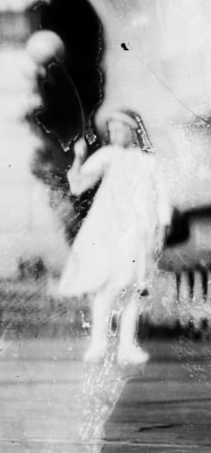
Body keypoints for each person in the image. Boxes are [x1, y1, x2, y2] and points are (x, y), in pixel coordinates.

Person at [56, 109, 170, 364]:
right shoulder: (108, 155)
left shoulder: (149, 161)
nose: (115, 134)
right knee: (106, 286)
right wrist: (79, 157)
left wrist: (161, 228)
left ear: (133, 131)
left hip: (137, 230)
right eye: (113, 130)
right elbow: (78, 185)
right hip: (109, 229)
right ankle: (99, 343)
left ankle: (127, 346)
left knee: (132, 287)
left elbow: (161, 195)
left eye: (121, 129)